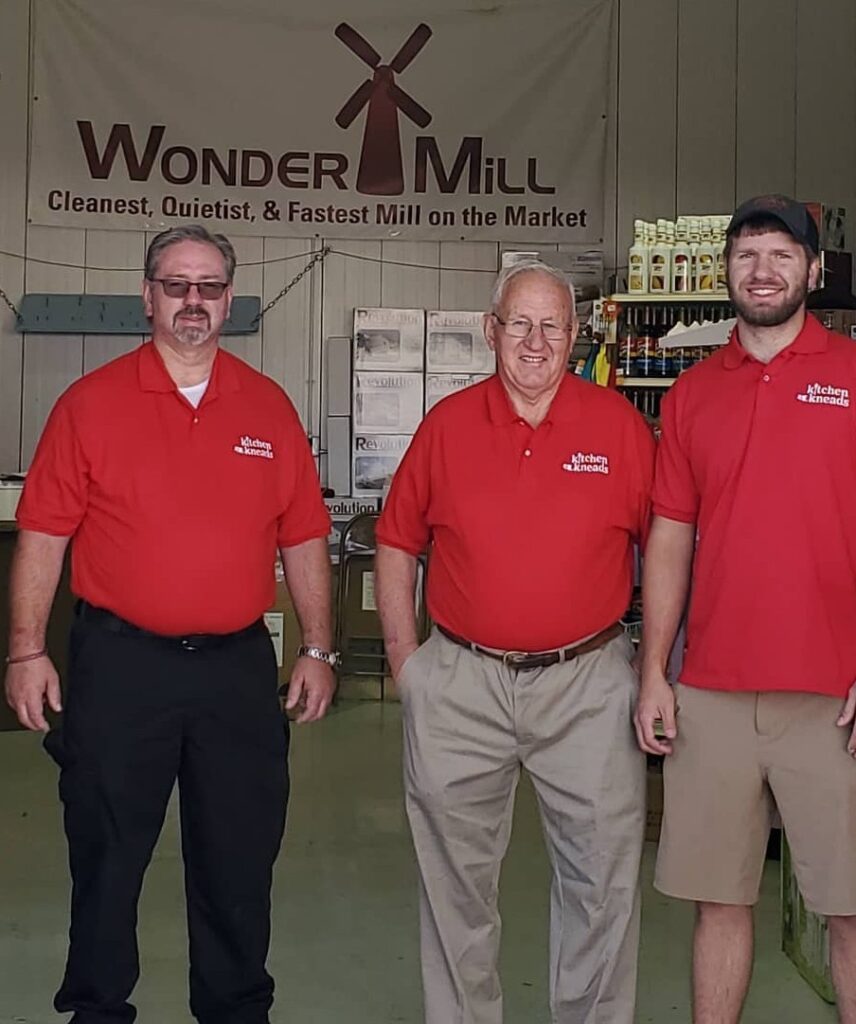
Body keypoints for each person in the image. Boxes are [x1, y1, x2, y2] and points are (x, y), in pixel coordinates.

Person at [4, 224, 337, 1024]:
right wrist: (24, 650)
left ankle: (233, 1009)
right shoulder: (90, 406)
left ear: (229, 301)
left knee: (237, 855)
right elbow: (44, 537)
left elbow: (304, 538)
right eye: (178, 284)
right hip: (123, 667)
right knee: (107, 852)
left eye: (210, 286)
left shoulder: (268, 408)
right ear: (148, 297)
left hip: (235, 671)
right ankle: (98, 1008)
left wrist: (321, 646)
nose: (195, 300)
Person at [375, 259, 655, 1024]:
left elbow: (668, 550)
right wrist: (409, 664)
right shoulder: (447, 426)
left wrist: (655, 669)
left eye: (552, 326)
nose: (535, 342)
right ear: (492, 332)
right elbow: (395, 543)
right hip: (462, 684)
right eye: (520, 324)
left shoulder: (620, 430)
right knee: (455, 892)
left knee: (602, 889)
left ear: (575, 336)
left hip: (589, 683)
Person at [636, 194, 856, 1023]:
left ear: (814, 269)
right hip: (715, 692)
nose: (762, 271)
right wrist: (657, 671)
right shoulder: (693, 394)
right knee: (718, 903)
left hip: (833, 696)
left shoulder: (852, 377)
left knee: (850, 908)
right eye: (747, 255)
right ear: (724, 270)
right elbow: (670, 538)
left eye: (780, 255)